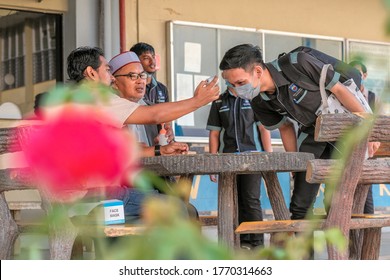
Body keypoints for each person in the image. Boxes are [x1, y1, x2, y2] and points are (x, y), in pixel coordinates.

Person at [218, 44, 378, 220]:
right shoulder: (258, 101)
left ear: (257, 71)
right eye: (232, 84)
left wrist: (367, 132)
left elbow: (340, 89)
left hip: (344, 130)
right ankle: (302, 248)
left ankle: (342, 248)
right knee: (300, 206)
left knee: (335, 203)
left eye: (240, 83)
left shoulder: (298, 63)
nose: (237, 89)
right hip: (311, 137)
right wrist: (295, 162)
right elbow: (285, 127)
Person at [65, 46, 220, 219]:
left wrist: (159, 150)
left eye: (142, 76)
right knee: (177, 207)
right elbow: (154, 115)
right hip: (95, 196)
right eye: (108, 70)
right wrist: (197, 101)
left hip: (73, 197)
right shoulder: (98, 99)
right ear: (91, 73)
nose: (110, 77)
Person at [206, 86, 272, 250]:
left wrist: (270, 158)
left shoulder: (254, 98)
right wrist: (214, 163)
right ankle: (242, 241)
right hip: (227, 159)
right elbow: (214, 134)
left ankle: (257, 244)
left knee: (250, 200)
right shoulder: (219, 101)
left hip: (253, 157)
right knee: (233, 202)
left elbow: (263, 129)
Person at [349, 60, 378, 214]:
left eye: (358, 74)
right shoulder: (343, 93)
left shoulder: (372, 97)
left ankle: (368, 235)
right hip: (346, 152)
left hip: (367, 152)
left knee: (366, 194)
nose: (353, 76)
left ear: (364, 76)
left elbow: (379, 124)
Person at [130, 42, 172, 145]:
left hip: (158, 144)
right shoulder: (130, 88)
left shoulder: (162, 89)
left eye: (153, 57)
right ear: (135, 61)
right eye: (146, 58)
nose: (152, 62)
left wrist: (167, 131)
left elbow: (167, 119)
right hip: (137, 144)